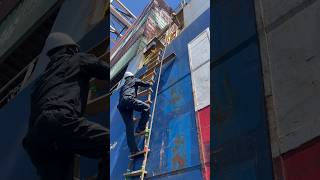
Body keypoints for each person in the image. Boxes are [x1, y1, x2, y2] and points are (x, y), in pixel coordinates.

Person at [22, 32, 109, 180]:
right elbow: (106, 70)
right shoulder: (78, 59)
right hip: (59, 121)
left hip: (34, 141)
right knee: (109, 144)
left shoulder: (41, 82)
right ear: (71, 48)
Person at [117, 72, 152, 156]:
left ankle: (133, 150)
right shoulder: (134, 80)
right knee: (146, 107)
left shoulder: (123, 87)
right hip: (128, 99)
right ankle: (140, 128)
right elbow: (144, 83)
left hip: (121, 106)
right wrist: (149, 83)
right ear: (132, 76)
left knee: (129, 127)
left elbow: (122, 98)